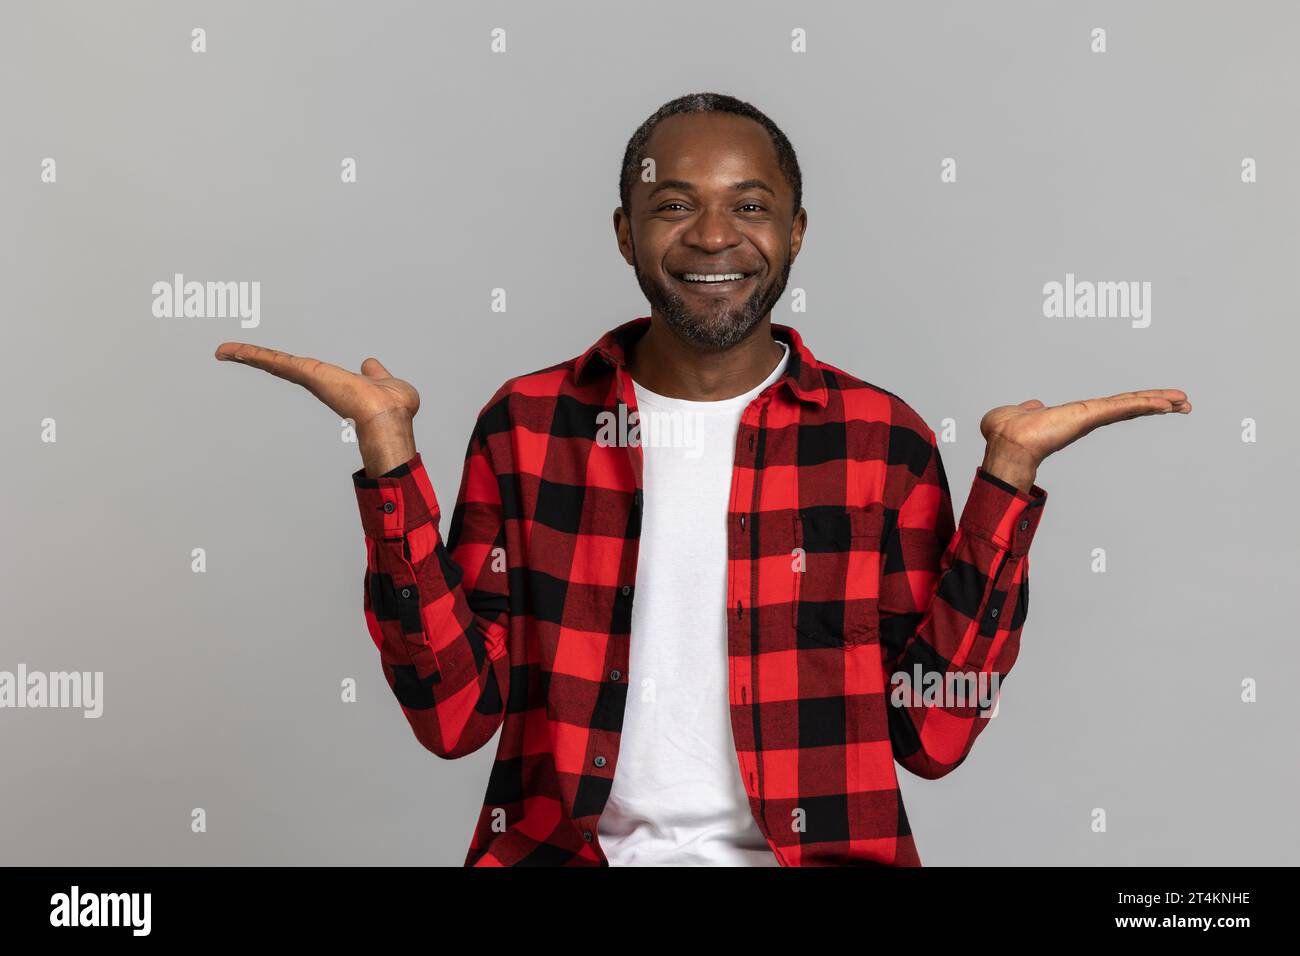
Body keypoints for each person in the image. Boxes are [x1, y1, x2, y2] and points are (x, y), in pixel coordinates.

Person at [215, 91, 1191, 866]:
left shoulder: (876, 441)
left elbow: (931, 731)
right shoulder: (530, 425)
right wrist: (386, 451)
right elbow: (455, 715)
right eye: (673, 204)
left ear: (797, 230)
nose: (713, 236)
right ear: (624, 230)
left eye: (749, 205)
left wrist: (1007, 479)